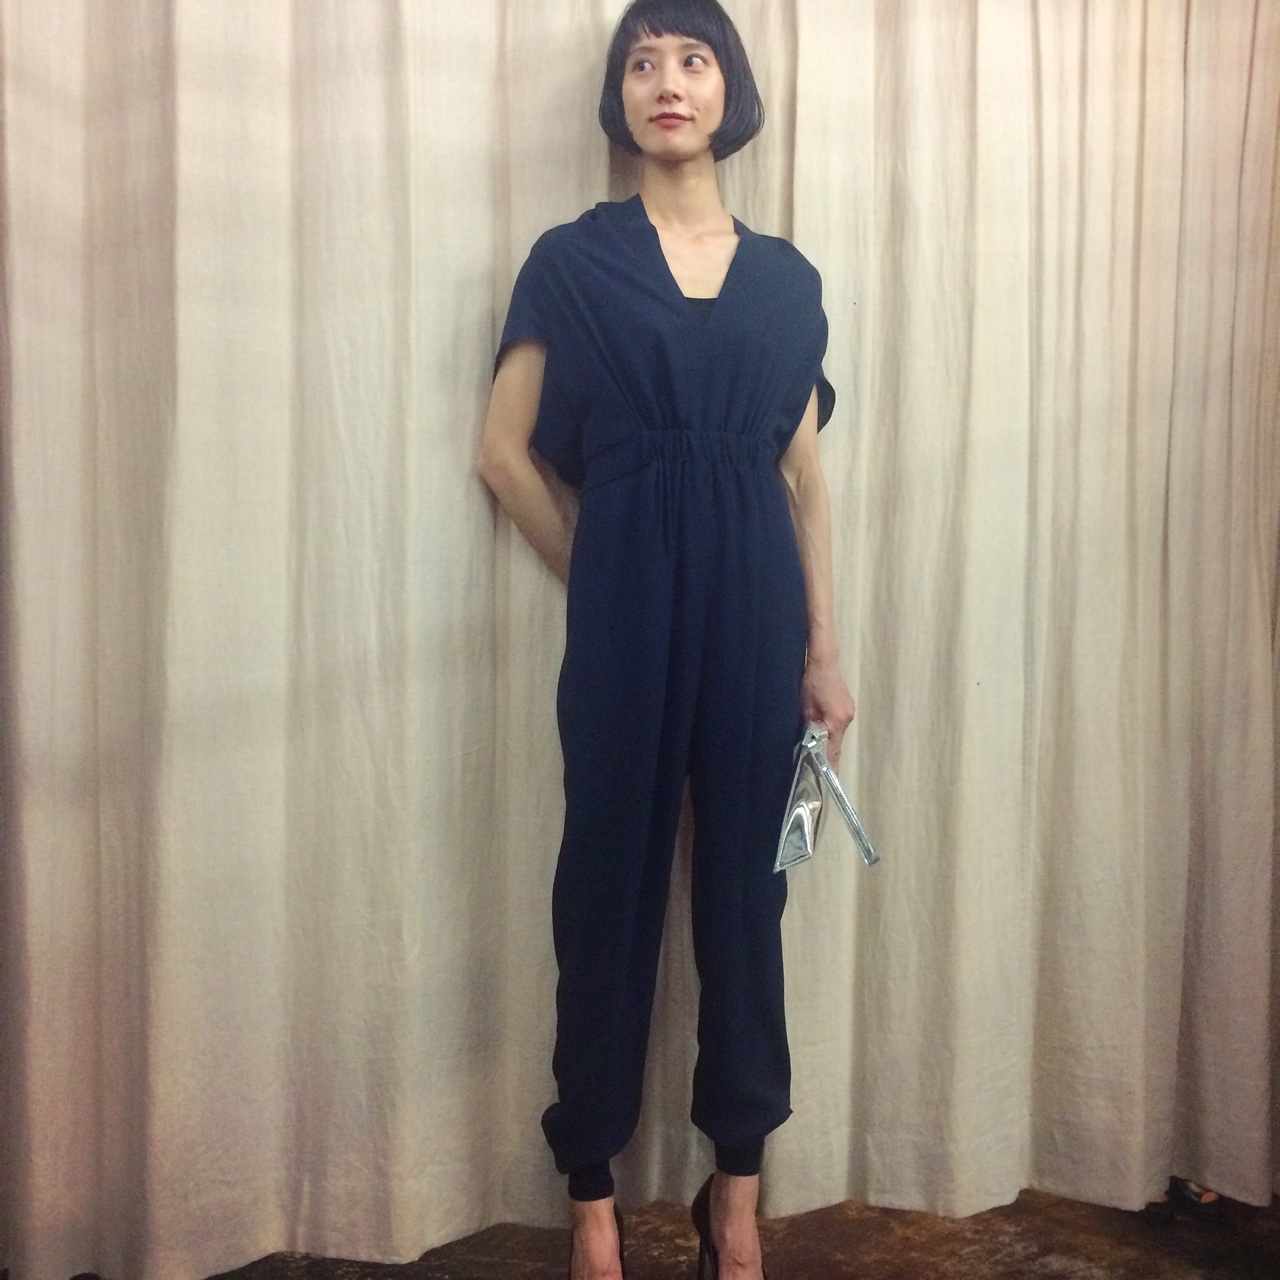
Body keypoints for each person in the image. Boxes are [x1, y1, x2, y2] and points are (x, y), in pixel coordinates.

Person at [476, 2, 855, 1276]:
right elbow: (502, 452)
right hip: (626, 619)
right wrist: (600, 574)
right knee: (605, 887)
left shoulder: (787, 281)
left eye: (691, 59)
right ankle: (590, 1192)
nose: (665, 81)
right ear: (619, 98)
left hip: (757, 614)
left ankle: (733, 1195)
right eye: (640, 63)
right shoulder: (571, 262)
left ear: (728, 89)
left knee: (748, 897)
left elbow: (803, 477)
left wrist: (822, 647)